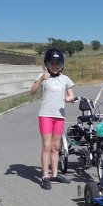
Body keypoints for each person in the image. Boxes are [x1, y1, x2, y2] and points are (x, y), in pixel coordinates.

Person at [30, 48, 77, 190]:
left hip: (59, 116)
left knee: (56, 147)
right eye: (52, 63)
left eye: (58, 63)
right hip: (45, 115)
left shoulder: (65, 79)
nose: (55, 66)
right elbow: (32, 92)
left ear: (61, 64)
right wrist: (41, 79)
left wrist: (70, 98)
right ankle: (45, 176)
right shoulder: (43, 77)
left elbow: (71, 95)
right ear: (47, 64)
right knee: (46, 146)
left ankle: (54, 174)